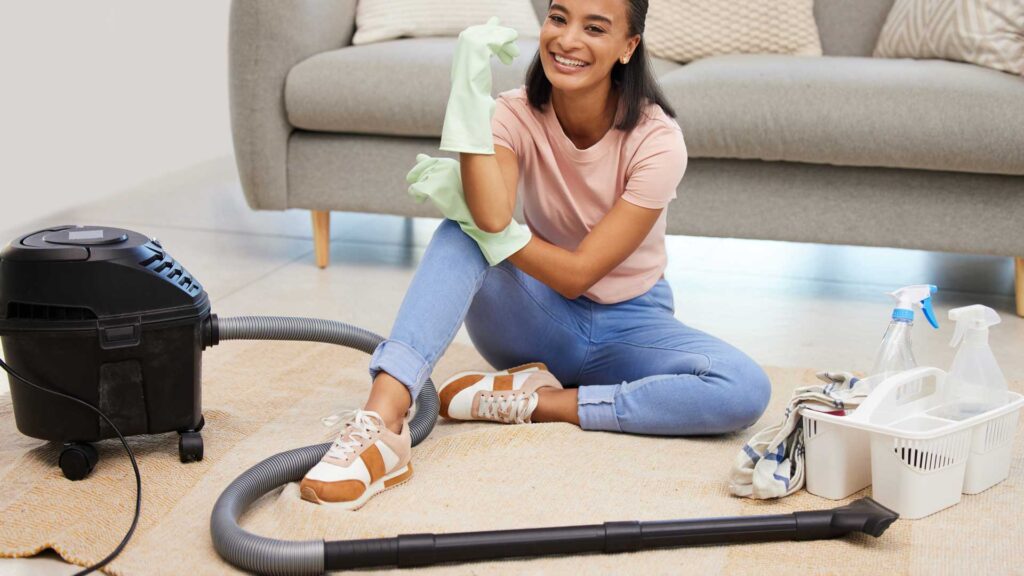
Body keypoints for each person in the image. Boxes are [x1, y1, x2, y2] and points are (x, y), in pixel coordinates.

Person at [299, 0, 771, 510]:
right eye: (559, 18)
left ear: (628, 46)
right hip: (533, 317)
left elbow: (579, 273)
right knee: (462, 232)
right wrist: (467, 101)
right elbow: (490, 217)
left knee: (743, 387)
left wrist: (495, 232)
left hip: (632, 324)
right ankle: (383, 423)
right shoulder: (514, 113)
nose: (567, 40)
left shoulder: (657, 140)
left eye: (595, 28)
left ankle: (540, 401)